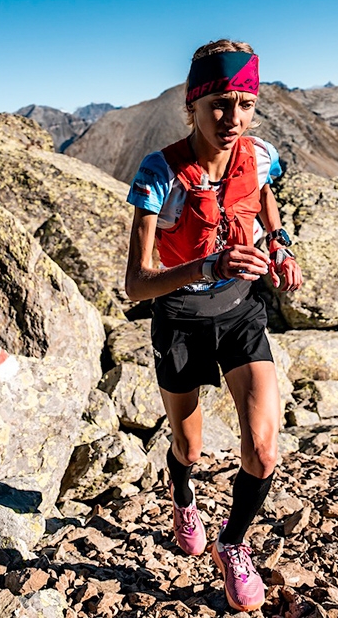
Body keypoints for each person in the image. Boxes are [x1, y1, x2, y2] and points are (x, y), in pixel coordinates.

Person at [124, 39, 303, 612]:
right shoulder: (160, 173)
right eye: (221, 105)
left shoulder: (261, 153)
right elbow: (136, 283)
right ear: (192, 105)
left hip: (241, 313)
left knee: (264, 449)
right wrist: (206, 264)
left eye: (246, 104)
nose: (234, 119)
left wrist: (280, 243)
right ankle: (182, 495)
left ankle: (233, 545)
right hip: (178, 321)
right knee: (189, 446)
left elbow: (265, 192)